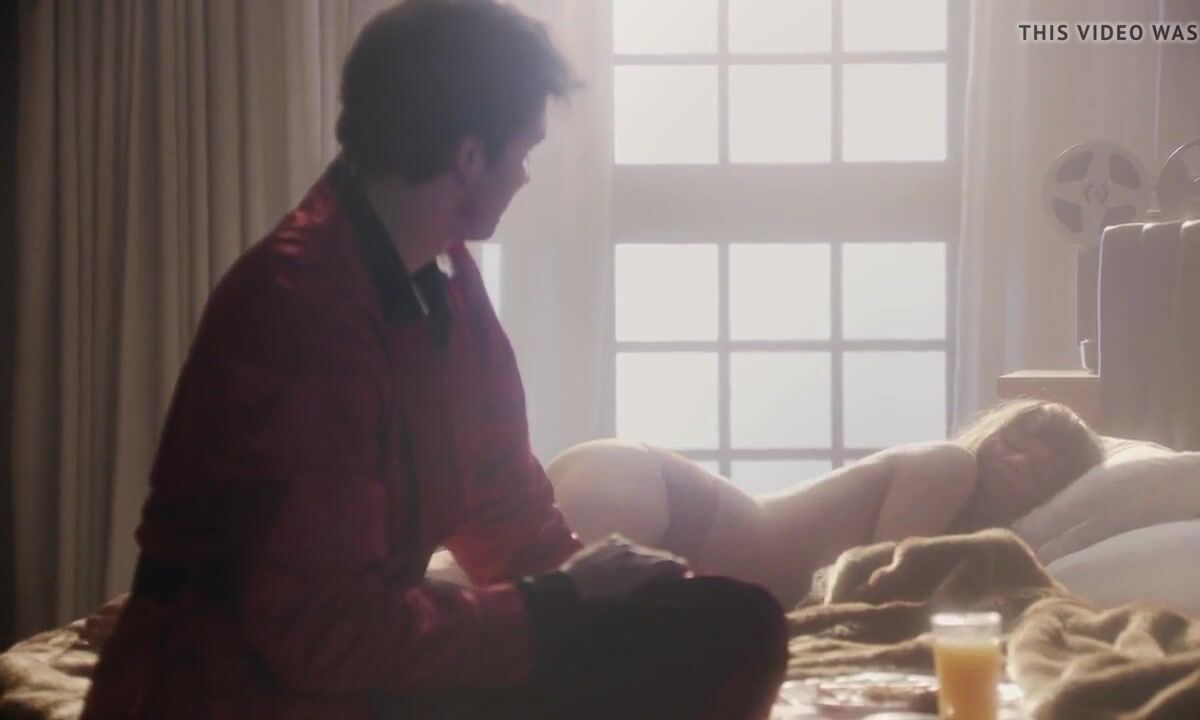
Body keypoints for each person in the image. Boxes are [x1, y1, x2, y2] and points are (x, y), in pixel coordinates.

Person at [81, 2, 787, 719]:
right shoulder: (301, 308)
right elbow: (323, 634)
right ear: (468, 157)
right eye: (524, 151)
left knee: (731, 625)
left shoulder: (441, 276)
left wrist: (614, 595)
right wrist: (557, 602)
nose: (526, 177)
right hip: (254, 689)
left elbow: (504, 506)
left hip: (363, 661)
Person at [536, 399, 1105, 608]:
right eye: (1012, 442)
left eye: (1040, 467)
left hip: (668, 507)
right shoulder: (951, 464)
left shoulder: (963, 521)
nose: (1015, 461)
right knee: (537, 631)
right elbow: (884, 579)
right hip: (672, 502)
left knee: (520, 623)